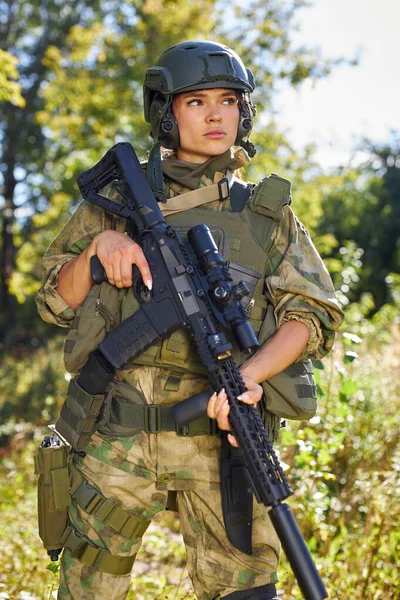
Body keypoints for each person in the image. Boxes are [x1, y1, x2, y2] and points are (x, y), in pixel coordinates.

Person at [36, 40, 344, 600]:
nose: (216, 115)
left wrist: (250, 377)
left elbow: (313, 314)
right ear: (165, 113)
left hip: (223, 437)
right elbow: (53, 304)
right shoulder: (114, 203)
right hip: (119, 436)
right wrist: (98, 249)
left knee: (246, 589)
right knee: (88, 589)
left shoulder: (265, 214)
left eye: (228, 100)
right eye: (196, 101)